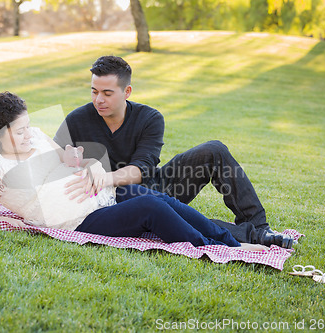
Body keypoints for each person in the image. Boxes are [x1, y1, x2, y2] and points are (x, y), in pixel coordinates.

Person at [0, 91, 268, 251]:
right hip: (78, 219)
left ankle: (232, 241)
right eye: (19, 130)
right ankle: (216, 249)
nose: (28, 133)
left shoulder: (36, 137)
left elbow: (72, 160)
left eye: (27, 125)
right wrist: (22, 222)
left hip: (100, 193)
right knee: (150, 207)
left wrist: (86, 162)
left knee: (158, 198)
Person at [53, 56, 293, 249]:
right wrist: (68, 157)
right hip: (113, 200)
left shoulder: (150, 118)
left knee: (214, 150)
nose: (98, 100)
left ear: (127, 92)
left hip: (154, 184)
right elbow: (51, 158)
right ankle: (250, 238)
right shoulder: (77, 119)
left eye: (107, 93)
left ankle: (258, 226)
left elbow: (143, 168)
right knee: (166, 213)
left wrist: (107, 176)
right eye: (94, 91)